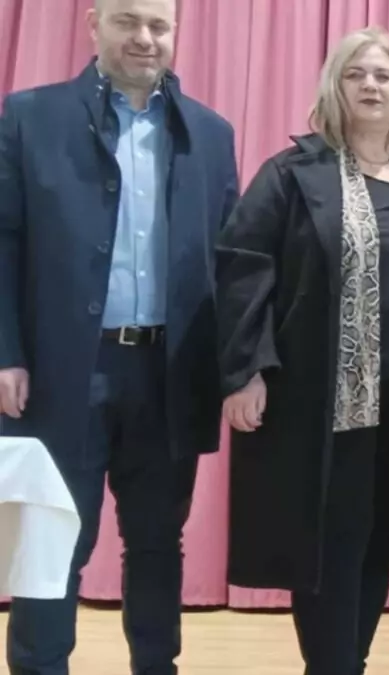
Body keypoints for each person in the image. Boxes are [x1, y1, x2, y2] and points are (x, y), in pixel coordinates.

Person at [214, 27, 389, 675]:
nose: (370, 85)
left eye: (383, 75)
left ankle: (345, 662)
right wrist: (245, 370)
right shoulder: (292, 174)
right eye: (355, 74)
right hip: (322, 400)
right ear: (334, 88)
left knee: (379, 535)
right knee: (331, 543)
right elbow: (242, 269)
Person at [0, 0, 238, 672]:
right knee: (52, 541)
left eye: (158, 25)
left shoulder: (212, 134)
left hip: (169, 372)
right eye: (127, 21)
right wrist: (5, 351)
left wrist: (239, 367)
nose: (144, 38)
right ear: (93, 25)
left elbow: (231, 262)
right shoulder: (30, 116)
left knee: (158, 543)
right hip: (62, 372)